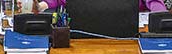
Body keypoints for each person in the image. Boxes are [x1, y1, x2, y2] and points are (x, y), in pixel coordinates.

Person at [33, 0, 167, 12]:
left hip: (131, 34)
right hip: (88, 32)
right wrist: (41, 6)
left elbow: (155, 2)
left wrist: (160, 17)